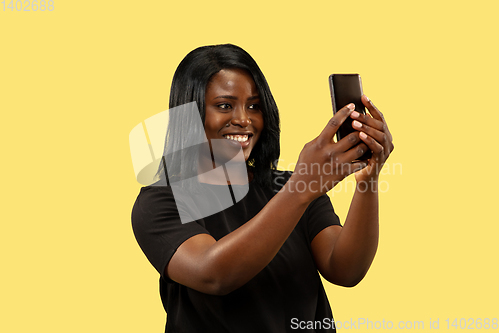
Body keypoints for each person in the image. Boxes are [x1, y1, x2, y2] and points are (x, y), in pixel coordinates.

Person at [131, 44, 394, 332]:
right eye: (224, 105)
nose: (244, 119)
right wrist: (300, 190)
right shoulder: (161, 201)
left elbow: (345, 269)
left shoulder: (288, 185)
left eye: (254, 106)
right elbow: (214, 274)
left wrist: (368, 178)